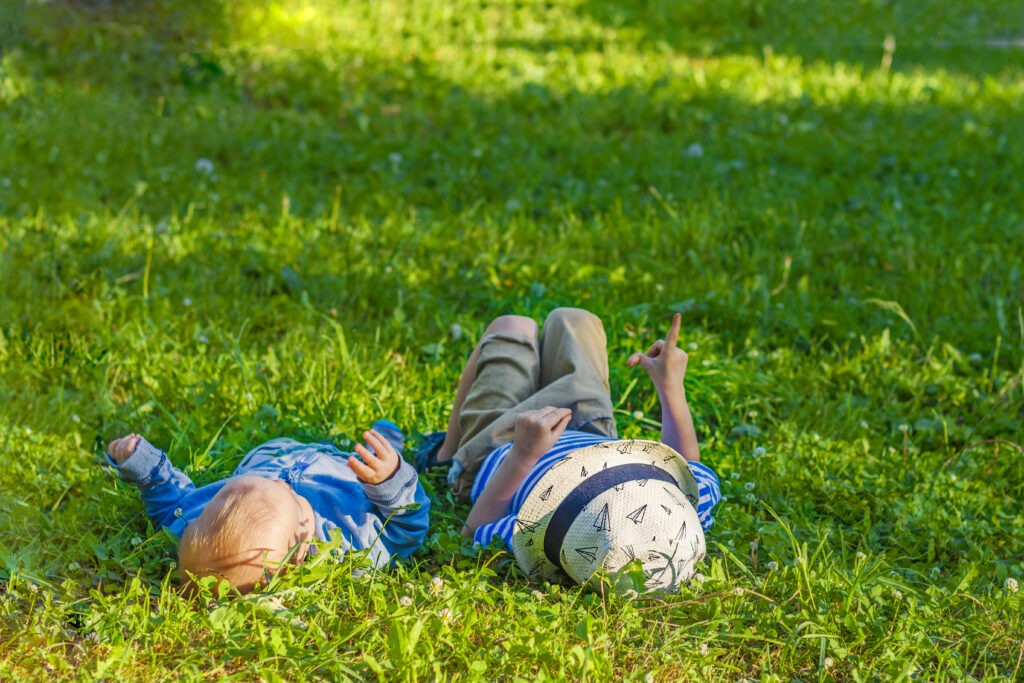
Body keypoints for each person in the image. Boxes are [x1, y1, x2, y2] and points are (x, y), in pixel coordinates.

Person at [421, 308, 720, 592]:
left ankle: (445, 455)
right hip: (590, 432)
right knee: (576, 320)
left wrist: (522, 456)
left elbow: (475, 534)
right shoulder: (678, 529)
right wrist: (671, 388)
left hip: (498, 447)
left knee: (511, 327)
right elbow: (687, 468)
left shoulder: (550, 528)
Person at [106, 420, 430, 593]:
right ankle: (385, 452)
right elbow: (407, 528)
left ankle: (375, 449)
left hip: (274, 455)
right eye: (287, 495)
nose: (281, 483)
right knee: (373, 463)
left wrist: (144, 466)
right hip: (346, 475)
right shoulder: (351, 544)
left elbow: (169, 506)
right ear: (299, 552)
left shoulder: (196, 521)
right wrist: (389, 482)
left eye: (224, 495)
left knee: (262, 463)